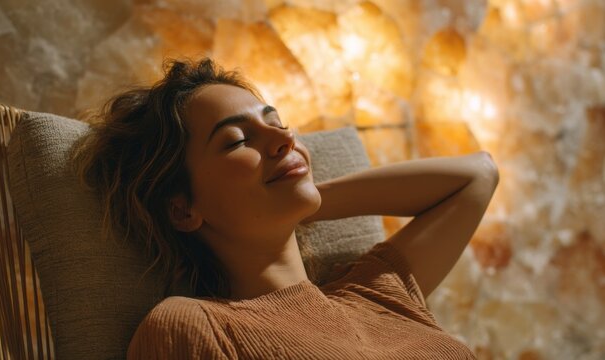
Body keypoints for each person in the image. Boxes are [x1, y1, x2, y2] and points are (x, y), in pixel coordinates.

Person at [72, 57, 498, 359]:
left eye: (276, 124)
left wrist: (301, 198)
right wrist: (287, 194)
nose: (284, 140)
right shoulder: (195, 326)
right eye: (238, 140)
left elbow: (478, 175)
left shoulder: (377, 293)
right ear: (183, 210)